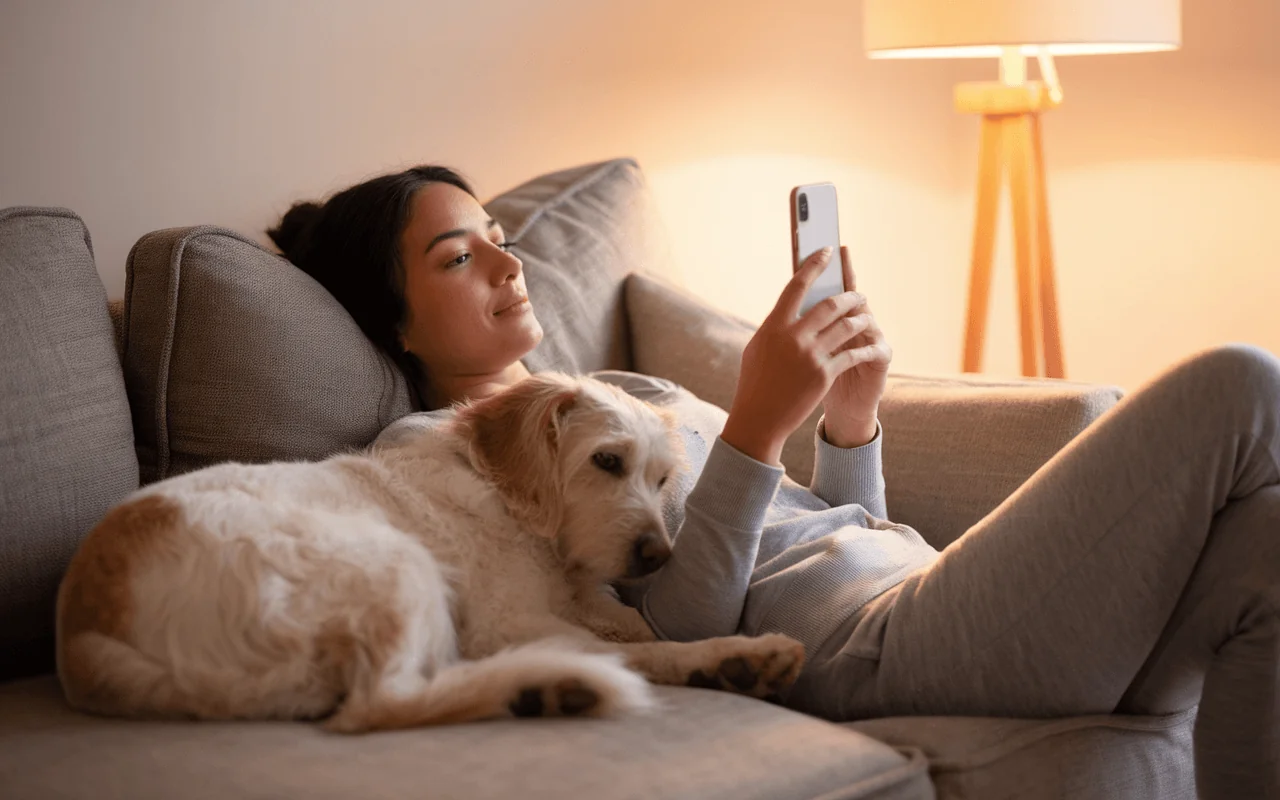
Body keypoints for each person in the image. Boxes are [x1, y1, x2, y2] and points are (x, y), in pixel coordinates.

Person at [268, 165, 1280, 799]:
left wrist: (849, 419)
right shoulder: (443, 456)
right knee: (1240, 380)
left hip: (921, 584)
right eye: (457, 254)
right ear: (395, 319)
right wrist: (754, 418)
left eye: (498, 233)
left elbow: (837, 530)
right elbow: (669, 617)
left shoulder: (631, 390)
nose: (504, 260)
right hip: (869, 647)